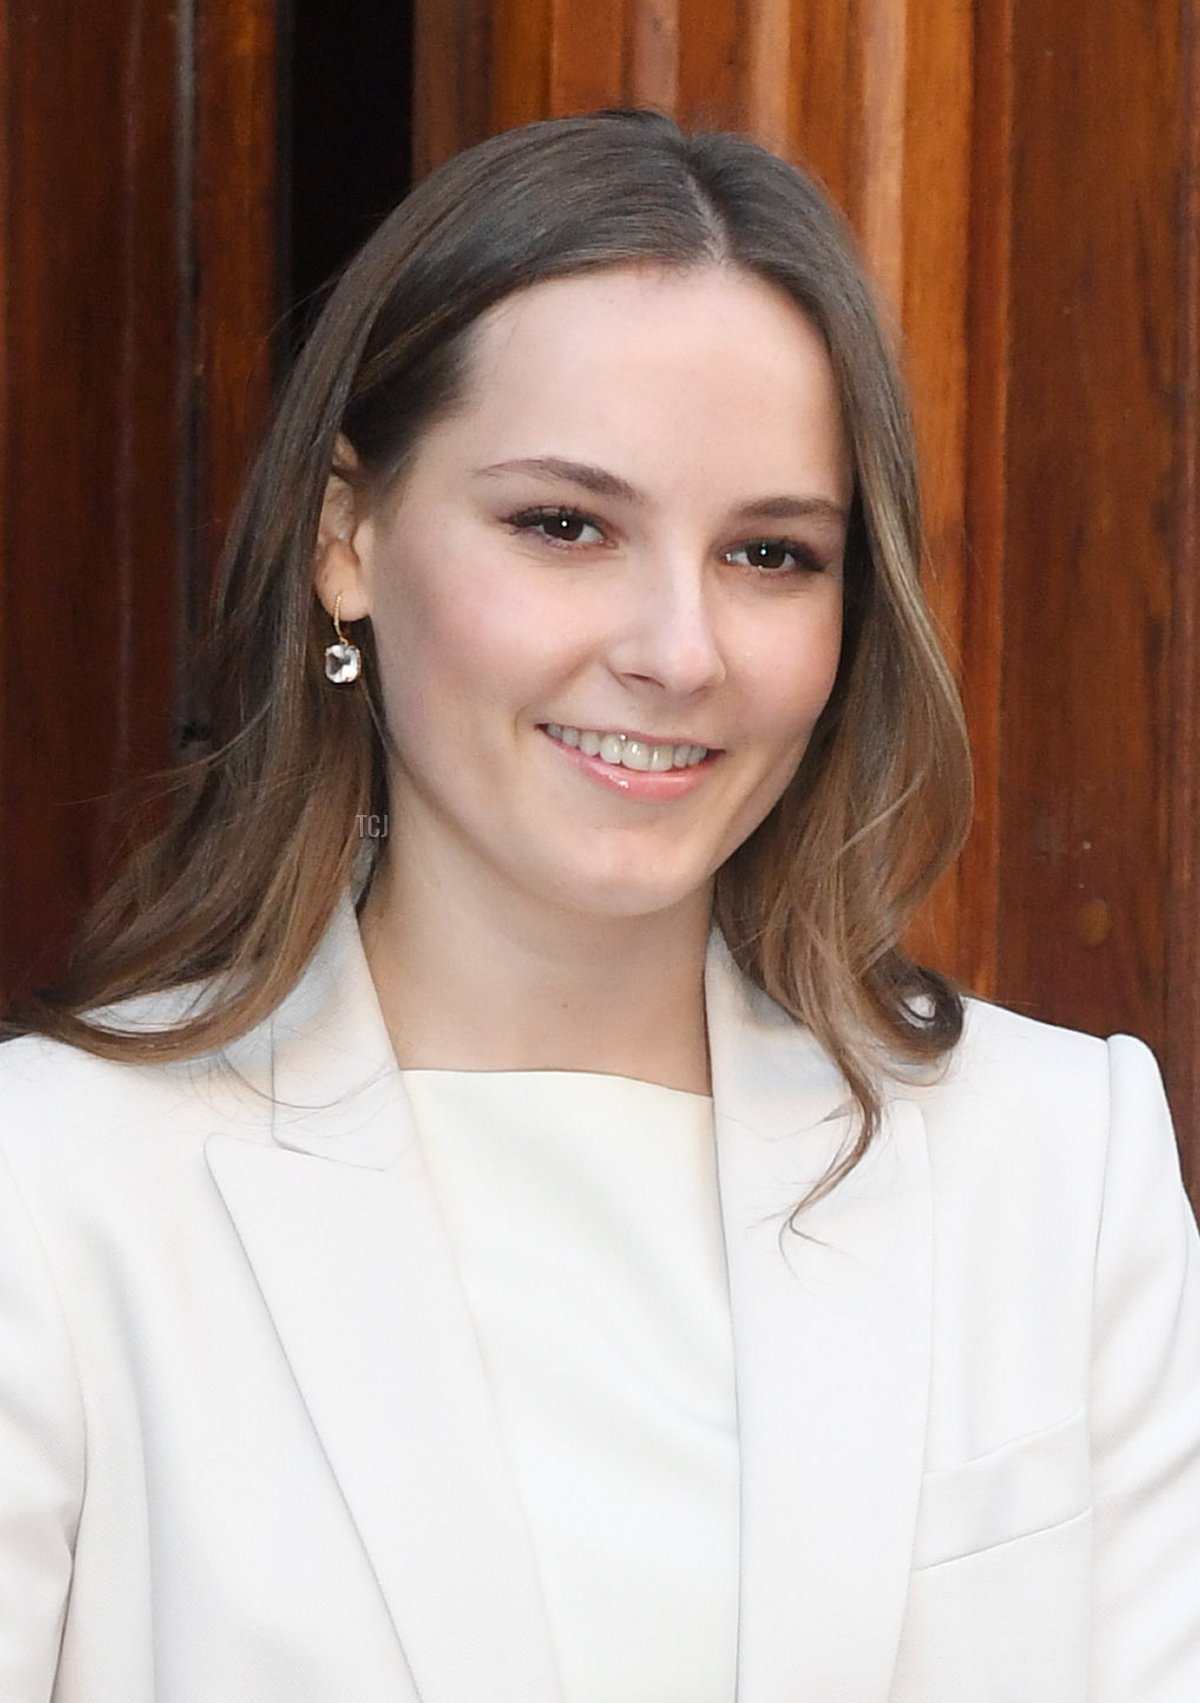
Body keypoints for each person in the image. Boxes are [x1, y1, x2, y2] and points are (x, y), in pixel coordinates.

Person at [1, 109, 1197, 1703]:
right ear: (346, 536)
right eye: (567, 525)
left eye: (772, 553)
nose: (679, 651)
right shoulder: (58, 1193)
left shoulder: (1059, 1162)